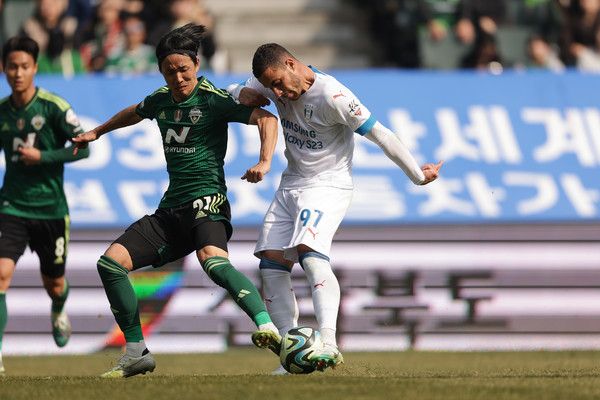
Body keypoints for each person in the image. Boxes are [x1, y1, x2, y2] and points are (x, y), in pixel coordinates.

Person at [72, 23, 281, 378]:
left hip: (207, 202)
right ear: (161, 72)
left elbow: (267, 119)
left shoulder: (212, 99)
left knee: (213, 262)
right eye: (170, 72)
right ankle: (136, 352)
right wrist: (98, 131)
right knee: (110, 264)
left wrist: (264, 161)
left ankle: (267, 326)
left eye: (184, 69)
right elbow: (135, 111)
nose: (179, 77)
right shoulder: (161, 99)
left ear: (196, 64)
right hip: (171, 210)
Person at [227, 43, 442, 373]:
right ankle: (291, 351)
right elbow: (229, 90)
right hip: (291, 183)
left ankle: (328, 342)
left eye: (278, 83)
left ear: (291, 64)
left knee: (309, 253)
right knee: (270, 262)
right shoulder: (269, 81)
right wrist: (240, 92)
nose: (277, 93)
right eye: (270, 87)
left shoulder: (333, 95)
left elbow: (381, 134)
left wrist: (417, 175)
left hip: (328, 184)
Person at [0, 36, 90, 375]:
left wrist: (44, 157)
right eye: (12, 67)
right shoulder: (2, 112)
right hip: (11, 206)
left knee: (54, 283)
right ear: (4, 69)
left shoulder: (54, 107)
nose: (18, 73)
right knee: (1, 275)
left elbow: (84, 148)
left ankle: (58, 307)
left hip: (51, 210)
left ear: (35, 68)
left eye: (24, 66)